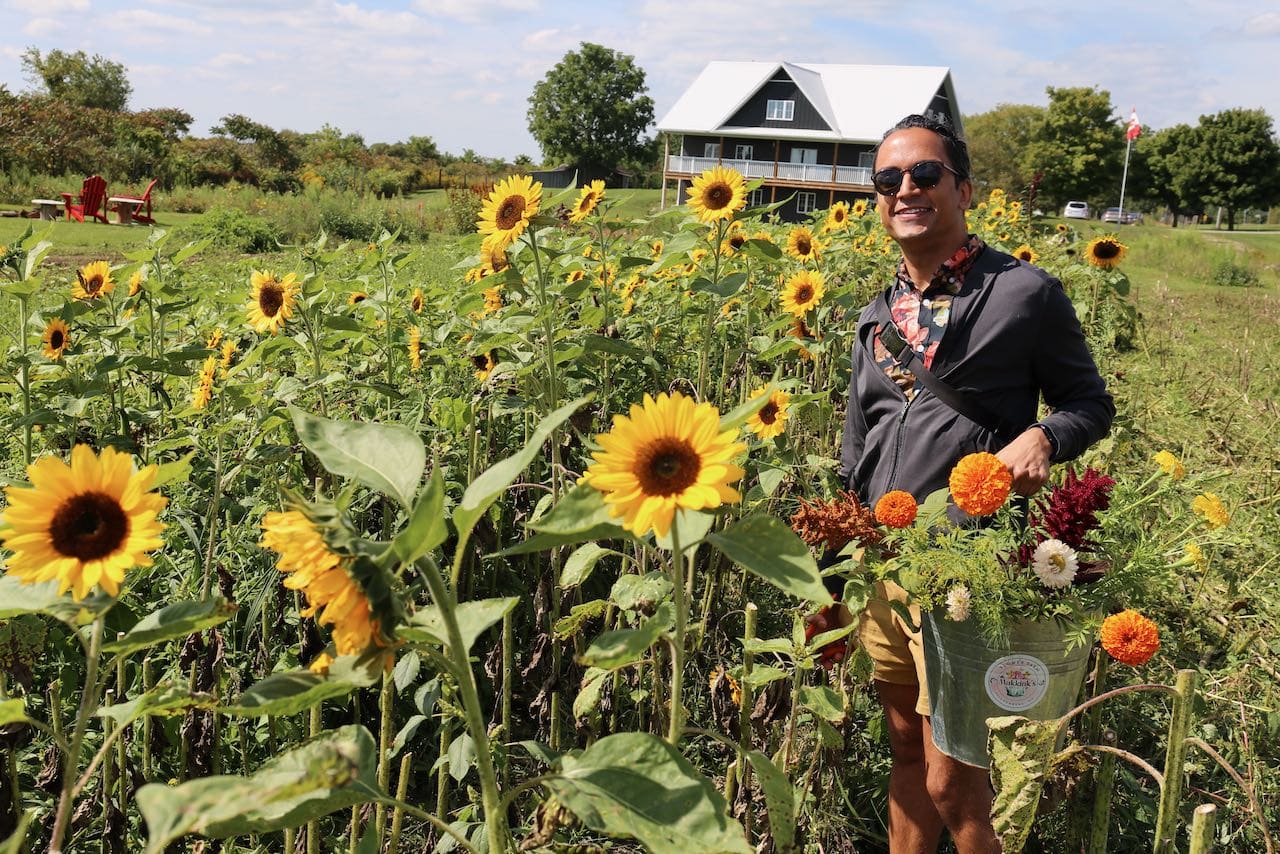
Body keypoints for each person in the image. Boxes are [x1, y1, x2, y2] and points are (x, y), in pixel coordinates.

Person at [830, 114, 1115, 852]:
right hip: (883, 565)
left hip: (967, 567)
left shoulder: (1023, 293)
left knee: (953, 777)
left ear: (963, 189)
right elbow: (857, 446)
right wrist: (834, 565)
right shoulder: (874, 317)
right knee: (905, 749)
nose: (905, 190)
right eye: (887, 180)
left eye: (924, 174)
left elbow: (1090, 404)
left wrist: (1045, 436)